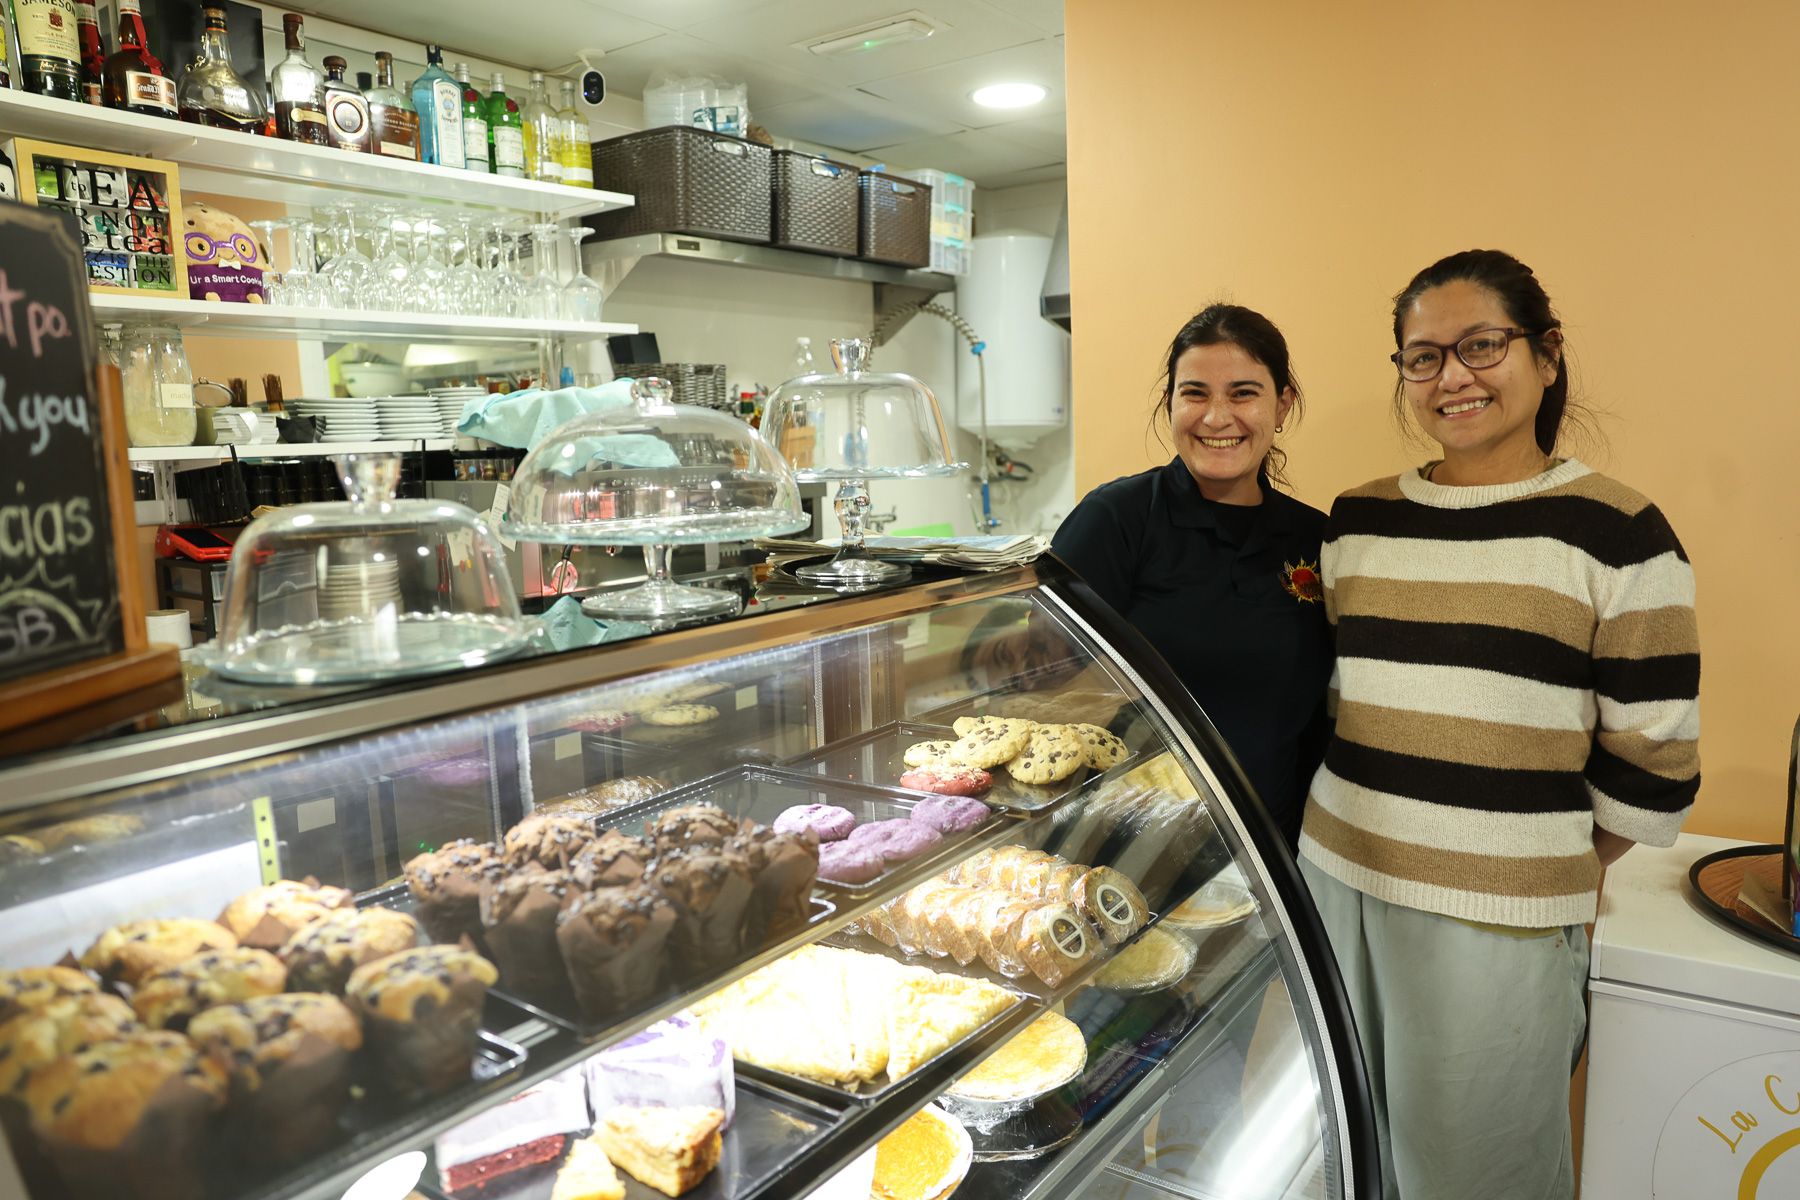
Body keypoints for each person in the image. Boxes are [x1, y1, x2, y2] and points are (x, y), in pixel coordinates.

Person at [1298, 250, 1700, 1199]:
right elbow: (1345, 697)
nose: (1453, 378)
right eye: (1423, 357)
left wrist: (1528, 860)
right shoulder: (1360, 517)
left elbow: (1656, 760)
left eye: (1481, 346)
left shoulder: (1619, 531)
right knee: (1336, 1146)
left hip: (1502, 917)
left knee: (1473, 1174)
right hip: (1335, 878)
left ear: (1547, 355)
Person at [1052, 304, 1332, 841]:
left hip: (1270, 852)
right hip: (1128, 838)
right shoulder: (1118, 518)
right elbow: (1047, 679)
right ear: (1171, 403)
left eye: (1243, 393)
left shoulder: (1313, 538)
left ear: (1282, 404)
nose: (1217, 417)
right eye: (1195, 392)